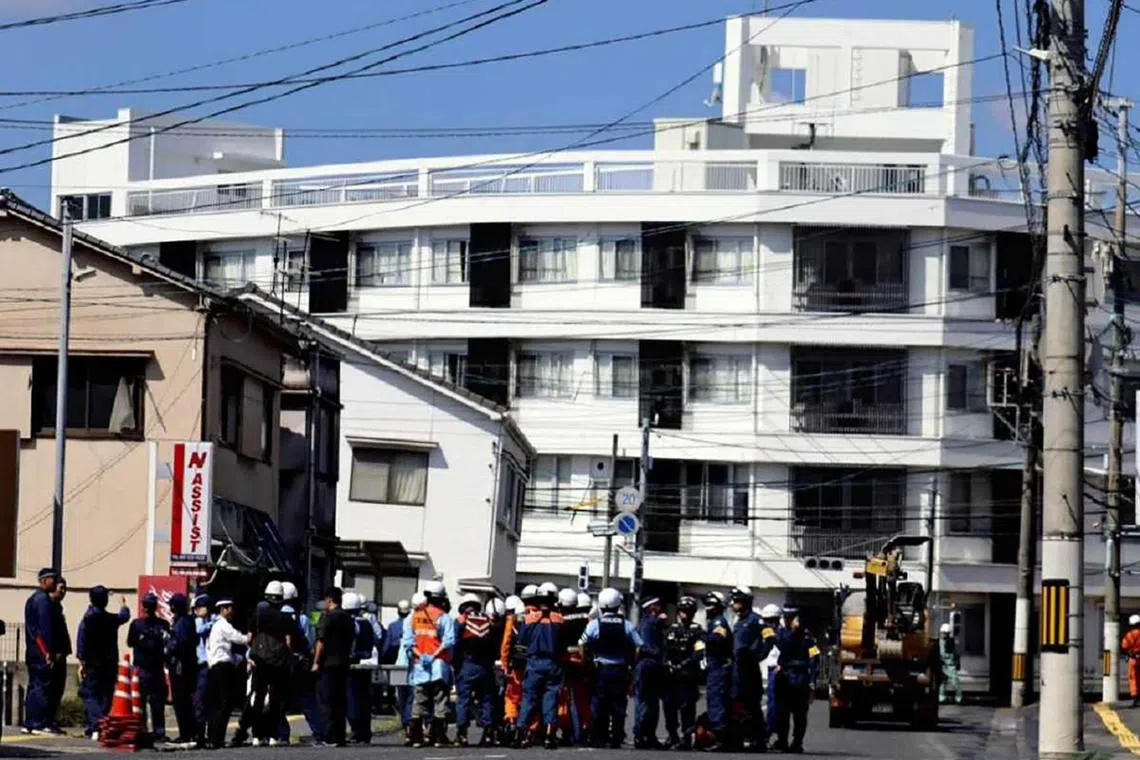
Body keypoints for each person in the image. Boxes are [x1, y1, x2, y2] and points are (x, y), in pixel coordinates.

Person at [580, 587, 642, 749]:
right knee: (618, 705)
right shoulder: (627, 625)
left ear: (600, 605)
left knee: (599, 703)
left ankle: (599, 736)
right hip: (620, 670)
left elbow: (582, 643)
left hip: (600, 669)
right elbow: (638, 646)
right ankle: (616, 736)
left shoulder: (595, 624)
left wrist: (586, 660)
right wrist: (631, 663)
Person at [402, 581, 456, 748]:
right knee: (440, 701)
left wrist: (421, 655)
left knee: (419, 701)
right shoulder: (445, 618)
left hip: (420, 665)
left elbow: (408, 642)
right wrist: (434, 655)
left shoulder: (413, 617)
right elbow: (449, 641)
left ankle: (416, 737)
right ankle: (439, 737)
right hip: (439, 665)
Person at [77, 585, 130, 740]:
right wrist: (123, 604)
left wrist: (81, 661)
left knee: (89, 694)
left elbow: (82, 641)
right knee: (106, 694)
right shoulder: (111, 619)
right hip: (109, 663)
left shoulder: (88, 619)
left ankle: (96, 724)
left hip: (93, 663)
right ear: (106, 601)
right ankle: (100, 725)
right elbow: (124, 616)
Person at [516, 582, 565, 748]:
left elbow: (521, 640)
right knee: (550, 697)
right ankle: (549, 736)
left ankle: (519, 733)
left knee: (528, 698)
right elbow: (562, 643)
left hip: (534, 662)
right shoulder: (559, 619)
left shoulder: (529, 618)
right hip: (553, 663)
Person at [204, 598, 251, 749]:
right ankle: (217, 738)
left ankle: (213, 737)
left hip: (214, 668)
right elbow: (238, 638)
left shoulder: (215, 627)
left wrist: (238, 659)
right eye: (230, 608)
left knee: (215, 705)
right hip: (222, 670)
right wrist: (249, 638)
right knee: (224, 704)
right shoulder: (223, 625)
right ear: (223, 609)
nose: (232, 612)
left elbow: (225, 651)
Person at [772, 610, 819, 754]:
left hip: (800, 676)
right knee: (782, 712)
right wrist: (792, 632)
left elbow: (814, 657)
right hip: (785, 676)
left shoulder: (807, 636)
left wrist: (813, 679)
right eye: (788, 618)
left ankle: (797, 742)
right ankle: (782, 741)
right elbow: (782, 647)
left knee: (800, 714)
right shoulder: (782, 633)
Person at [313, 587, 354, 747]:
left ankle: (328, 737)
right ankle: (339, 736)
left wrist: (316, 662)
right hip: (343, 663)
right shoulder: (348, 618)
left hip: (327, 664)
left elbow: (320, 641)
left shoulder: (327, 617)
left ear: (329, 600)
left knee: (325, 700)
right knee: (340, 701)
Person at [663, 596, 705, 750]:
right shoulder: (670, 629)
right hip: (670, 675)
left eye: (689, 611)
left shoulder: (697, 631)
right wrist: (667, 662)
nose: (685, 614)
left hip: (687, 675)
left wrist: (685, 664)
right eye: (683, 610)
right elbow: (664, 649)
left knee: (687, 708)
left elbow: (699, 651)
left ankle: (686, 737)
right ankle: (672, 736)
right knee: (669, 707)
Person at [127, 593, 171, 742]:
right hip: (148, 667)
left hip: (148, 668)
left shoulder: (143, 624)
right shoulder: (156, 625)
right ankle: (152, 731)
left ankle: (148, 731)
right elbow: (131, 642)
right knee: (150, 702)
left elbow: (130, 642)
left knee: (149, 701)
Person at [454, 593, 496, 747]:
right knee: (486, 700)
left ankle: (461, 734)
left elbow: (455, 644)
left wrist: (456, 666)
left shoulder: (461, 621)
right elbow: (494, 644)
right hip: (485, 666)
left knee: (463, 700)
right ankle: (488, 734)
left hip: (467, 664)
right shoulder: (488, 621)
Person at [729, 586, 767, 752]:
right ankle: (740, 737)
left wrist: (758, 656)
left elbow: (770, 638)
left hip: (750, 669)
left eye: (737, 600)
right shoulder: (738, 621)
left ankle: (757, 740)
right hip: (737, 667)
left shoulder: (755, 620)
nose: (733, 603)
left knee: (752, 705)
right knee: (737, 703)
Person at [280, 581, 317, 745]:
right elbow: (310, 643)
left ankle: (280, 734)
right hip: (299, 661)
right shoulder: (302, 618)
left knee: (278, 699)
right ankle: (318, 731)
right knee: (306, 699)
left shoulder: (272, 615)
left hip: (278, 662)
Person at [23, 568, 58, 735]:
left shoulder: (32, 599)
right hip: (40, 650)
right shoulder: (43, 600)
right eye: (52, 579)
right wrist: (48, 652)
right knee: (41, 686)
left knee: (33, 685)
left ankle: (29, 722)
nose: (55, 582)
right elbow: (45, 629)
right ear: (43, 581)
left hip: (32, 649)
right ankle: (37, 722)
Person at [556, 589, 592, 746]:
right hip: (582, 663)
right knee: (581, 699)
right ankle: (585, 730)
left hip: (565, 662)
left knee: (564, 699)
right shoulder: (587, 619)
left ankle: (567, 730)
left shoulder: (560, 620)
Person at [165, 593, 199, 746]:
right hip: (184, 665)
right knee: (183, 701)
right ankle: (188, 732)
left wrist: (167, 648)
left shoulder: (183, 623)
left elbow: (180, 644)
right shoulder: (185, 621)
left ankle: (186, 733)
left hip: (180, 666)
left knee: (181, 701)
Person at [634, 596, 667, 749]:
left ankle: (642, 734)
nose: (661, 608)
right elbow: (663, 620)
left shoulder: (641, 623)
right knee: (649, 703)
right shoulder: (653, 621)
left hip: (643, 664)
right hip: (651, 664)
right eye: (657, 605)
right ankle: (644, 734)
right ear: (652, 607)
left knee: (644, 701)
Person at [702, 591, 734, 752]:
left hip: (719, 667)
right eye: (706, 605)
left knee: (717, 702)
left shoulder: (719, 623)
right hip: (714, 666)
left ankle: (720, 739)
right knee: (714, 700)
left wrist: (702, 637)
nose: (708, 608)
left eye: (711, 605)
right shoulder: (713, 622)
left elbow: (718, 639)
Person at [345, 592, 375, 745]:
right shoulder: (367, 623)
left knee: (352, 698)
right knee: (364, 699)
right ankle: (365, 732)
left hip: (352, 664)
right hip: (366, 663)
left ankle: (356, 731)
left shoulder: (350, 623)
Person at [499, 593, 527, 747]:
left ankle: (511, 722)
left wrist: (504, 664)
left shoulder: (512, 624)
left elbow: (506, 645)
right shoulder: (532, 623)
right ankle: (528, 730)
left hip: (515, 667)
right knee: (528, 697)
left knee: (511, 697)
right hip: (530, 666)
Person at [45, 577, 72, 734]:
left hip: (61, 656)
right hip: (54, 657)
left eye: (65, 588)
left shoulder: (57, 607)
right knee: (51, 690)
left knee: (57, 691)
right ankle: (46, 720)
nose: (63, 591)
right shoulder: (49, 607)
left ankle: (51, 720)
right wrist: (53, 653)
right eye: (61, 588)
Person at [391, 596, 418, 746]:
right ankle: (411, 728)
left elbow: (387, 646)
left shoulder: (394, 626)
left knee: (401, 698)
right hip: (415, 666)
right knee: (412, 699)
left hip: (398, 665)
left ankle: (406, 726)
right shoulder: (420, 622)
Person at [192, 594, 215, 747]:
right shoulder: (198, 621)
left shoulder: (209, 621)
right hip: (200, 665)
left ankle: (204, 733)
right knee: (200, 701)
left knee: (206, 701)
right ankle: (199, 733)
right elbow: (199, 629)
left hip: (208, 665)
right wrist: (213, 622)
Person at [758, 604, 783, 742]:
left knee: (776, 706)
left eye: (773, 620)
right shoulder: (763, 633)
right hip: (766, 670)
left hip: (779, 671)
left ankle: (770, 733)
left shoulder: (783, 634)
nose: (770, 624)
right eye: (767, 620)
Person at [938, 622, 963, 705]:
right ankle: (941, 697)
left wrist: (957, 663)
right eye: (943, 633)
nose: (944, 635)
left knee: (955, 682)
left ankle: (958, 698)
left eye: (946, 633)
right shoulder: (939, 642)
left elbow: (956, 654)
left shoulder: (951, 642)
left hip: (950, 665)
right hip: (943, 665)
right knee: (942, 682)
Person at [1125, 614, 1140, 707]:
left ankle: (1135, 699)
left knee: (1133, 679)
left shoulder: (1130, 635)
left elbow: (1124, 646)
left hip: (1133, 660)